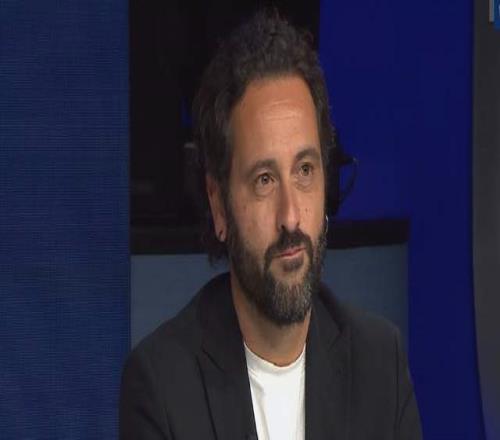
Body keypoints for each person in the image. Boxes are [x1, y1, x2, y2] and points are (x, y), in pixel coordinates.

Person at [120, 9, 422, 440]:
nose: (291, 216)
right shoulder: (162, 387)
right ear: (218, 205)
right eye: (264, 180)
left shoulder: (379, 366)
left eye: (305, 171)